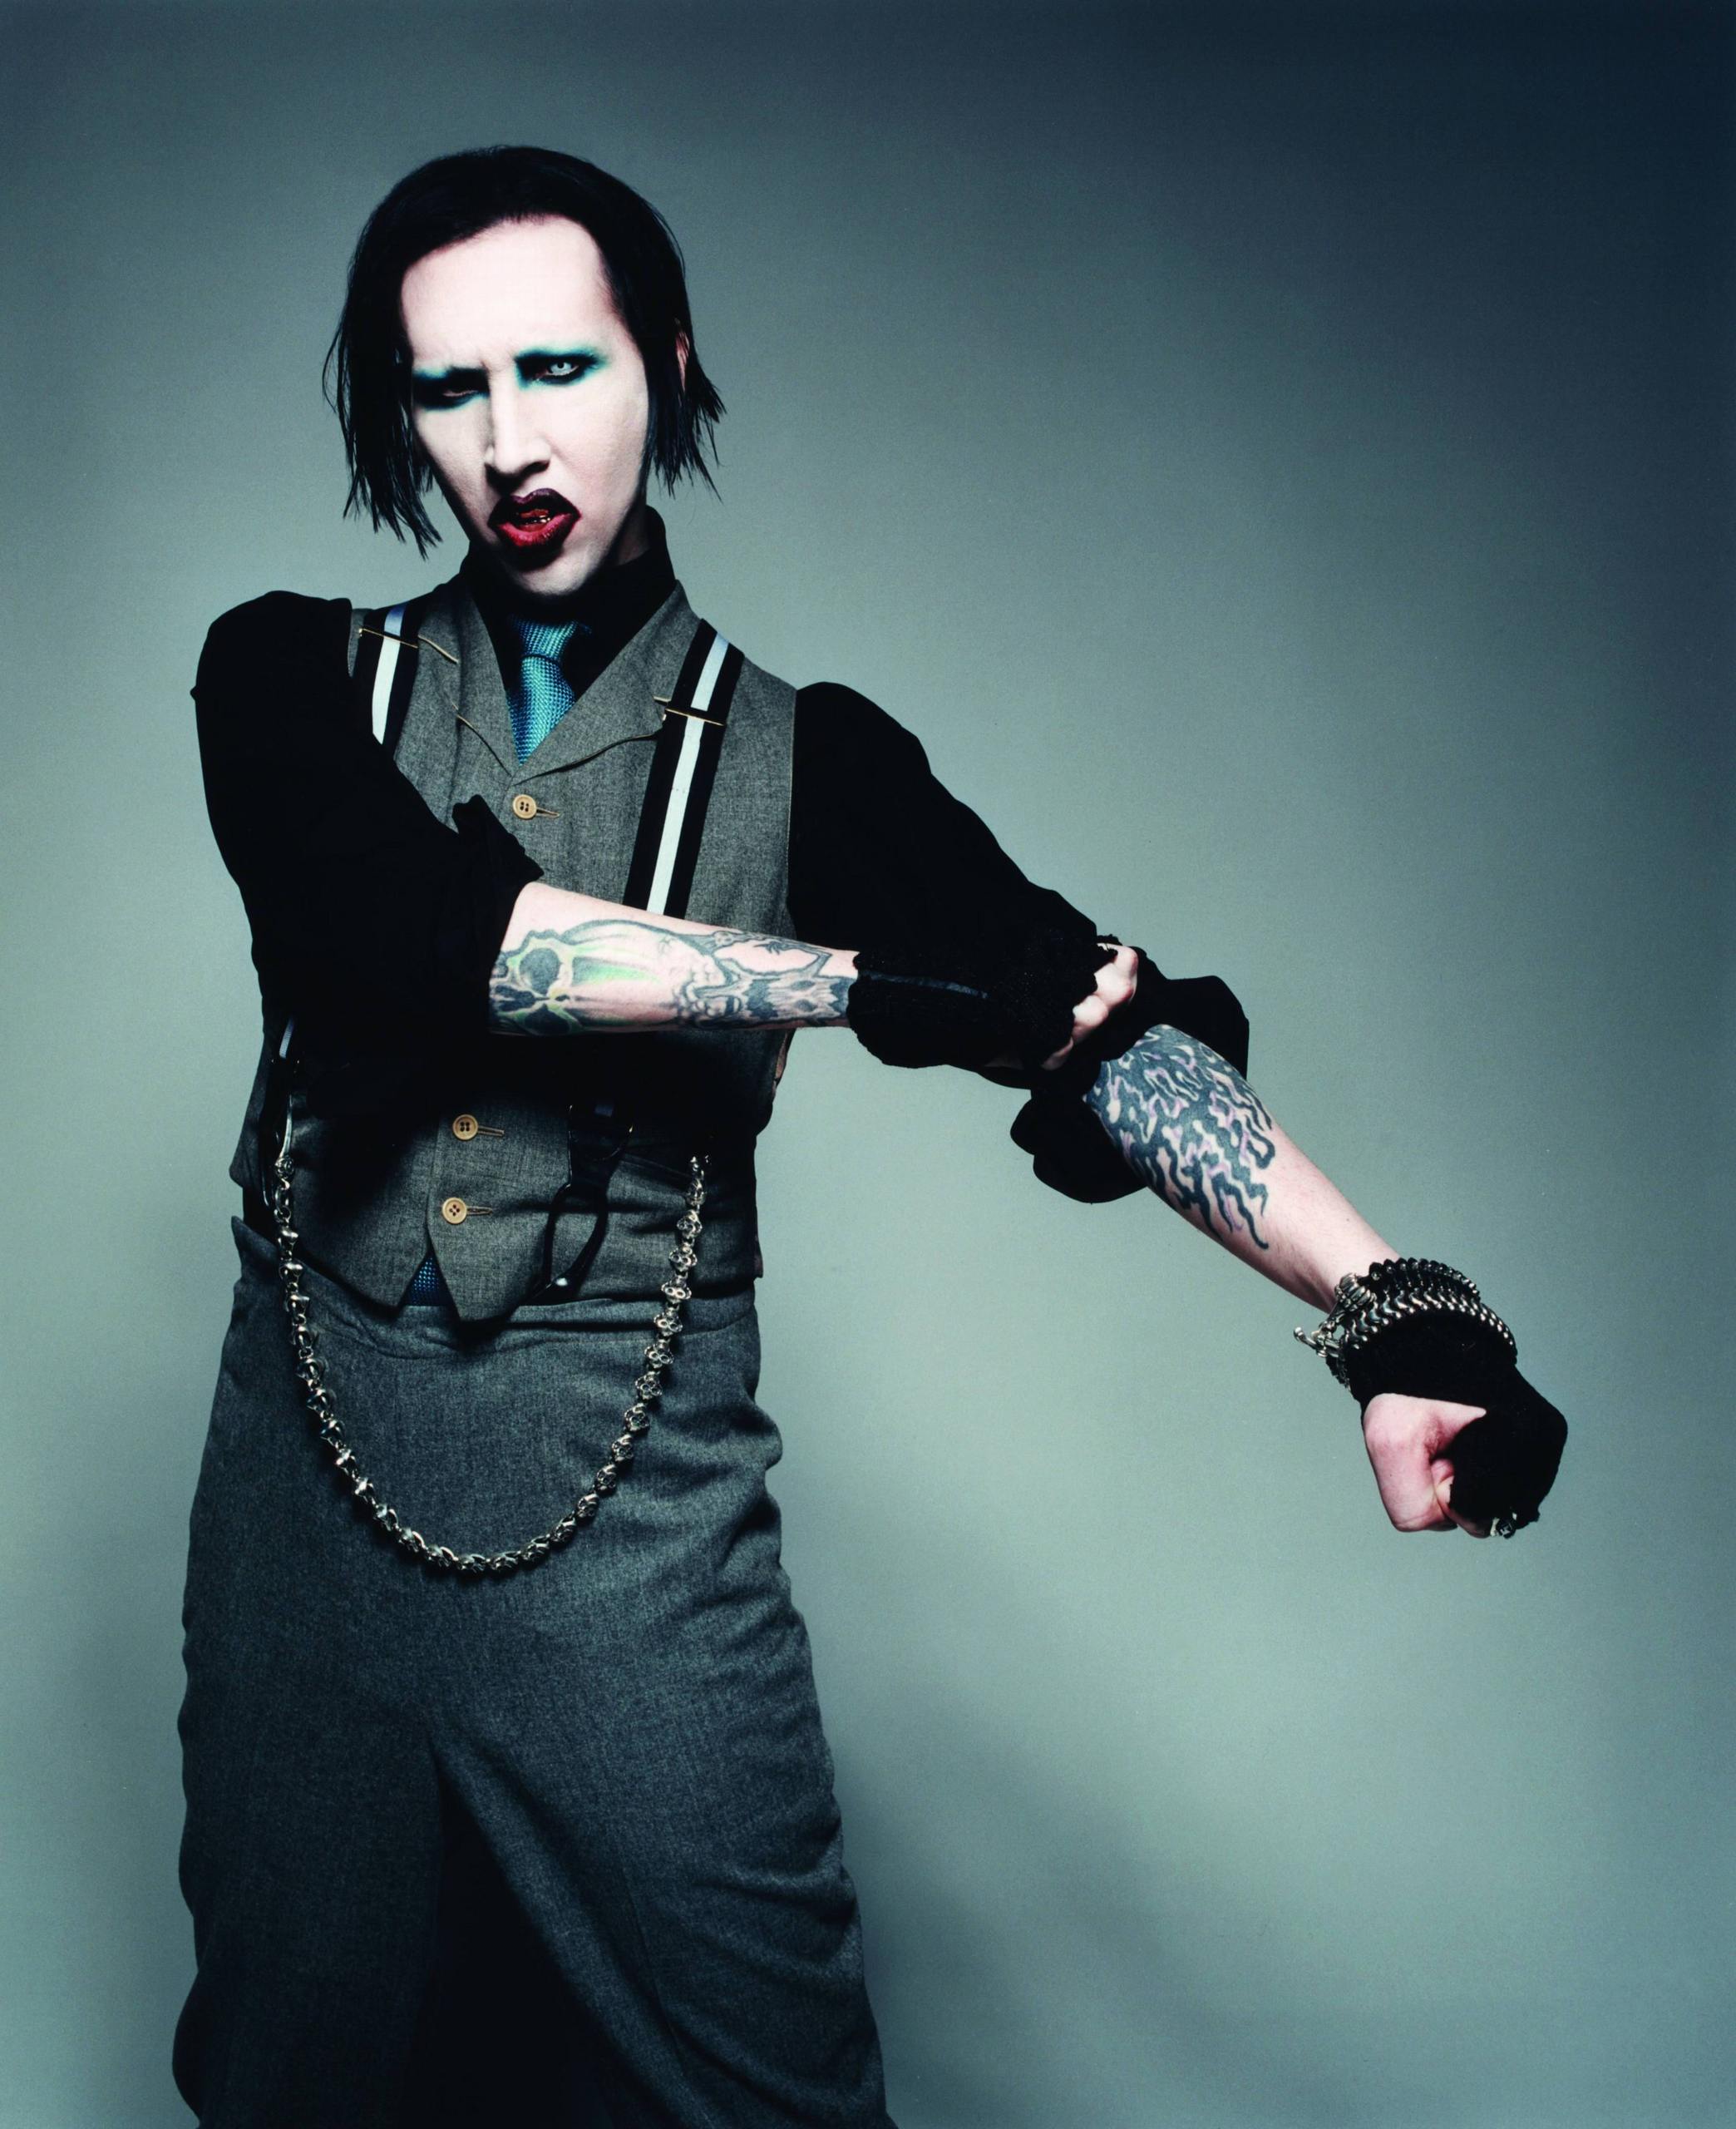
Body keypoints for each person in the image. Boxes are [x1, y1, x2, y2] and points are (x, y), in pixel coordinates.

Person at [175, 146, 1566, 2129]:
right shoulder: (285, 672)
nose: (508, 441)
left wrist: (1397, 1311)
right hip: (304, 1528)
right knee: (287, 2078)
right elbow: (409, 941)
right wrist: (872, 982)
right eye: (449, 387)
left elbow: (1096, 1027)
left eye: (559, 368)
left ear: (665, 360)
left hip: (636, 1537)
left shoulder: (807, 760)